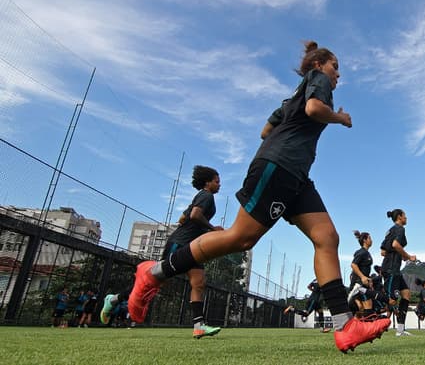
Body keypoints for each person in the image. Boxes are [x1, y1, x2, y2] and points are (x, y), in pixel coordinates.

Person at [127, 41, 390, 353]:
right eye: (336, 67)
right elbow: (314, 109)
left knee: (327, 237)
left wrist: (291, 130)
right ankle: (153, 272)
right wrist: (340, 118)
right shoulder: (318, 82)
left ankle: (345, 326)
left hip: (296, 177)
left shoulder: (290, 97)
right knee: (241, 238)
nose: (338, 75)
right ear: (319, 65)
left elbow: (266, 130)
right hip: (279, 167)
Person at [101, 165, 223, 339]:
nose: (219, 185)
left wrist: (197, 229)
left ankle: (199, 326)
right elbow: (195, 215)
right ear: (208, 182)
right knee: (156, 281)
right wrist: (212, 228)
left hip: (192, 246)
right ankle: (113, 299)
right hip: (180, 243)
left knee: (199, 282)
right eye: (217, 182)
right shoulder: (207, 195)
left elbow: (183, 218)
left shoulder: (200, 196)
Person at [379, 208, 416, 337]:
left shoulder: (390, 231)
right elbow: (395, 244)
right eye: (405, 216)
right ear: (400, 217)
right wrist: (408, 256)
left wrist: (396, 255)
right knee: (392, 301)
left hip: (394, 269)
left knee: (406, 294)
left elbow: (383, 251)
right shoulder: (399, 229)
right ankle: (365, 295)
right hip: (391, 269)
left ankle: (400, 329)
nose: (406, 218)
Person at [347, 230, 374, 316]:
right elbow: (353, 265)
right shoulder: (361, 252)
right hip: (358, 284)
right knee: (357, 307)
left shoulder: (367, 253)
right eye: (370, 238)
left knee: (367, 308)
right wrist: (362, 277)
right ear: (365, 240)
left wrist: (368, 279)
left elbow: (365, 269)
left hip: (364, 284)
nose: (371, 240)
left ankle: (361, 328)